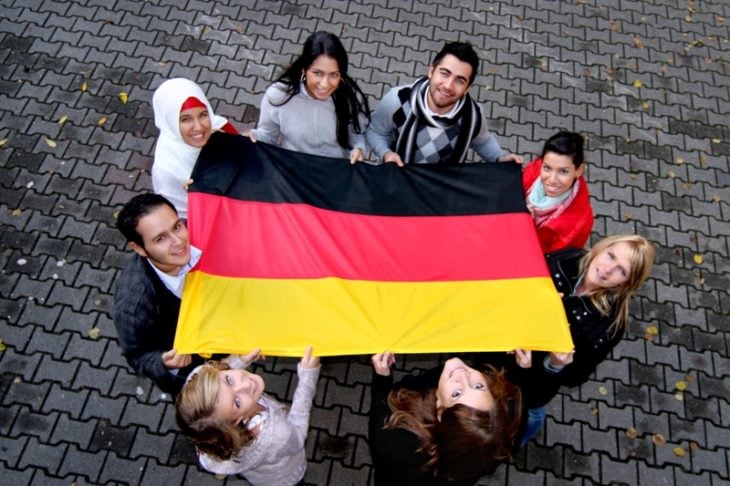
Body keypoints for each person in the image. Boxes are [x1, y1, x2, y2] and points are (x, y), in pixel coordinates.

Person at [511, 234, 655, 443]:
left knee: (525, 420)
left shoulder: (609, 325)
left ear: (627, 283)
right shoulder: (565, 260)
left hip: (531, 389)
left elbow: (576, 376)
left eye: (622, 271)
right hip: (502, 353)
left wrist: (555, 365)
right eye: (611, 256)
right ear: (602, 248)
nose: (607, 270)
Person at [369, 353, 522, 485]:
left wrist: (382, 377)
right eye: (478, 386)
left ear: (440, 411)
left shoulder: (399, 439)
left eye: (456, 394)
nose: (462, 374)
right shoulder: (493, 444)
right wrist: (523, 370)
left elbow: (378, 414)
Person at [175, 347, 320, 486]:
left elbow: (218, 370)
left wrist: (242, 360)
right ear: (237, 421)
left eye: (229, 380)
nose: (245, 384)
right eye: (237, 402)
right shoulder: (278, 434)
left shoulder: (200, 379)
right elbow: (298, 435)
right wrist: (308, 377)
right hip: (283, 476)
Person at [365, 41, 522, 166]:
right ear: (431, 71)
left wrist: (500, 158)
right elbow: (375, 132)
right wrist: (385, 153)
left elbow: (483, 142)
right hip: (395, 179)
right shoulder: (398, 100)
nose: (448, 86)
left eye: (460, 80)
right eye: (445, 73)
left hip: (438, 192)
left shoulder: (472, 116)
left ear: (468, 88)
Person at [113, 193, 203, 397]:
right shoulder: (133, 306)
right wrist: (164, 363)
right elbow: (137, 357)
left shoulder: (199, 232)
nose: (179, 241)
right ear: (139, 248)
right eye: (160, 238)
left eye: (177, 226)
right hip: (195, 373)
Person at [247, 31, 370, 163]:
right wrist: (252, 136)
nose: (325, 84)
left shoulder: (350, 97)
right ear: (304, 70)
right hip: (295, 169)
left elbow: (357, 134)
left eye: (334, 75)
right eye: (318, 73)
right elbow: (268, 134)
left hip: (335, 169)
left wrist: (359, 149)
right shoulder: (279, 95)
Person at [151, 77, 238, 219]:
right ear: (170, 121)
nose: (199, 127)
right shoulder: (167, 170)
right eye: (185, 119)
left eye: (203, 115)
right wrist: (198, 199)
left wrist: (249, 144)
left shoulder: (220, 127)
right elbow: (181, 221)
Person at [523, 131, 593, 253]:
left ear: (578, 170)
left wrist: (528, 225)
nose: (552, 180)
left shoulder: (578, 225)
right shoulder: (536, 167)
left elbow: (553, 262)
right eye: (547, 168)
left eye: (563, 172)